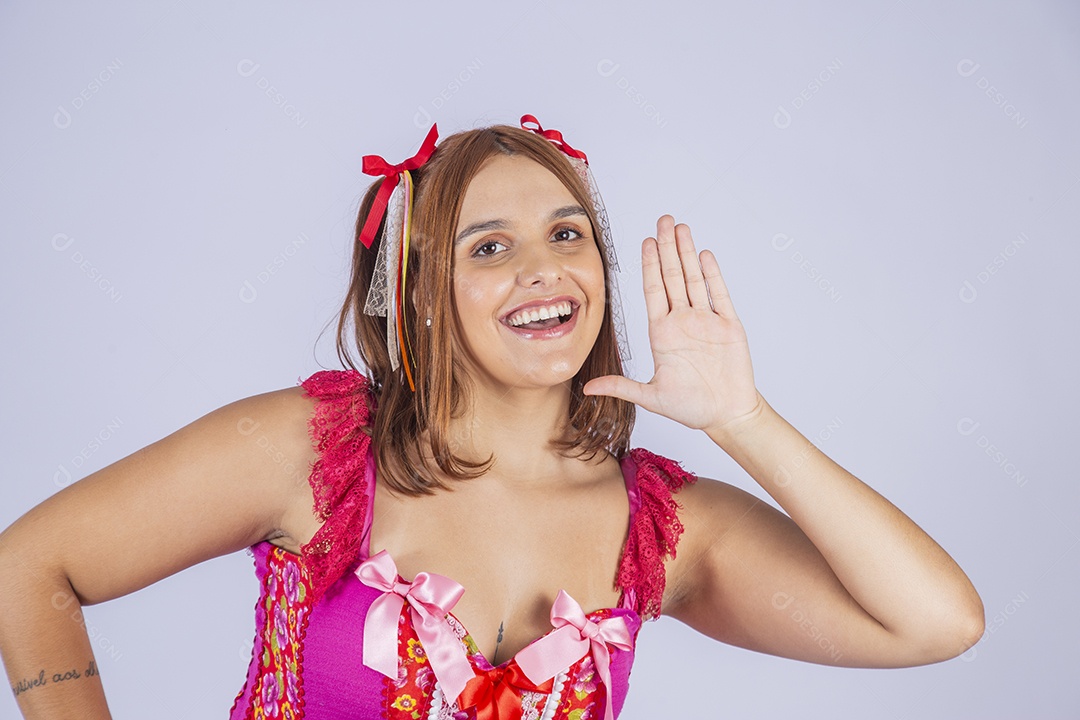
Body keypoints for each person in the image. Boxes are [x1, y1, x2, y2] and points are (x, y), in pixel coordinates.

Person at [0, 115, 984, 720]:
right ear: (420, 293)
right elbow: (29, 566)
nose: (543, 270)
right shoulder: (308, 452)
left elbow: (935, 623)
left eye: (567, 234)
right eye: (489, 248)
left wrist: (741, 418)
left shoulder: (664, 530)